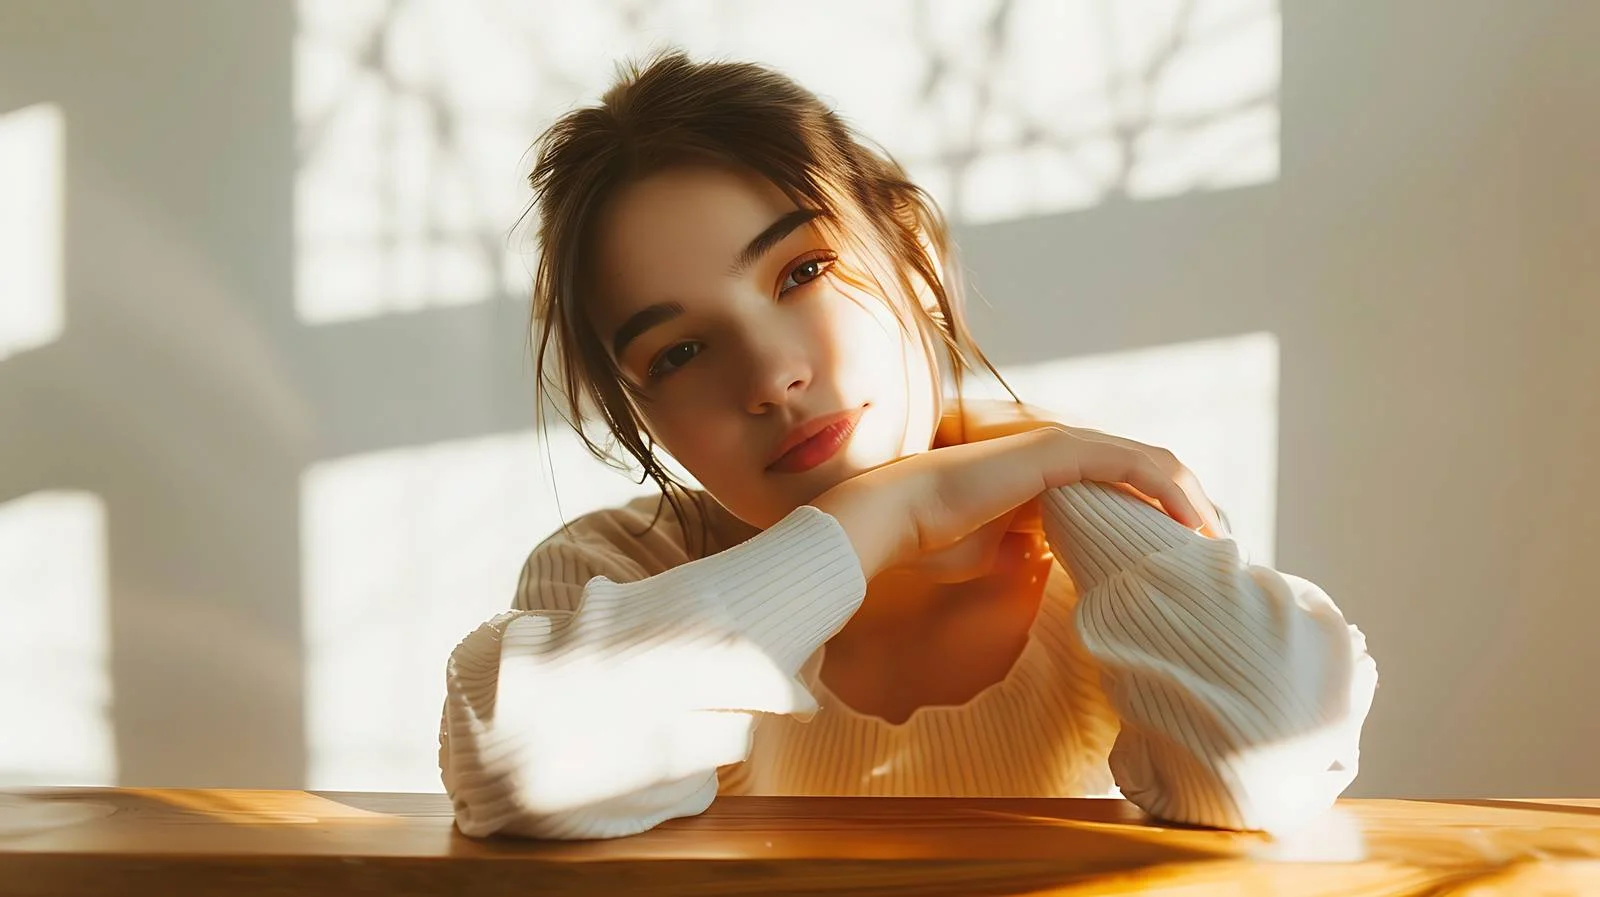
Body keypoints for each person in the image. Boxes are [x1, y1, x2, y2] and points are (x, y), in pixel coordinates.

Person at [439, 51, 1377, 841]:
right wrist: (891, 514)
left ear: (914, 256)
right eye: (678, 351)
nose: (768, 376)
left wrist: (1061, 478)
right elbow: (520, 769)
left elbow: (1274, 751)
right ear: (641, 414)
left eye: (802, 271)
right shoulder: (617, 573)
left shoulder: (1099, 546)